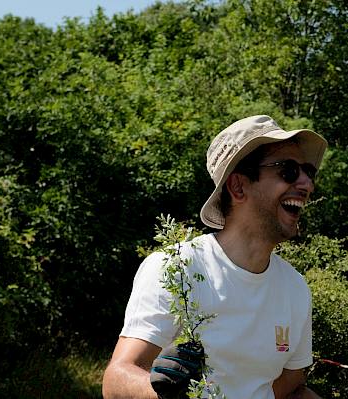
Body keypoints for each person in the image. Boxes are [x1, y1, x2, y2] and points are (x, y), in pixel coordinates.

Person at [102, 115, 327, 399]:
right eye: (289, 170)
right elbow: (116, 379)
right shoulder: (177, 268)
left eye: (308, 171)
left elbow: (292, 386)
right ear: (238, 187)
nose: (307, 184)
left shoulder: (295, 289)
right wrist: (159, 391)